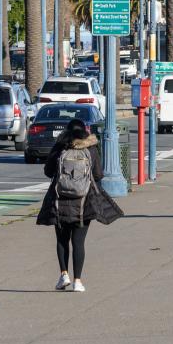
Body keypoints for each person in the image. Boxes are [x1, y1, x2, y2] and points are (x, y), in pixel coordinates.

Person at [37, 119, 122, 292]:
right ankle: (78, 281)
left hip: (59, 201)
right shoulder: (90, 148)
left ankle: (63, 275)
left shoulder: (60, 147)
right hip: (84, 202)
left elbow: (47, 171)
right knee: (78, 242)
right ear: (84, 131)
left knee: (62, 240)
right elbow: (98, 174)